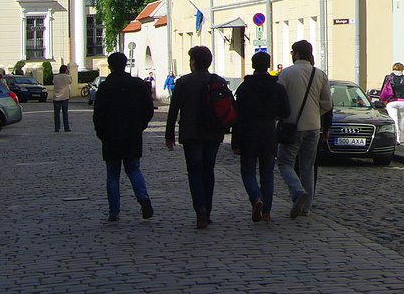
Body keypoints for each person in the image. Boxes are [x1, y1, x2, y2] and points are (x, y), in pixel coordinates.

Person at [164, 45, 228, 229]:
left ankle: (199, 208)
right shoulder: (218, 81)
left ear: (193, 62)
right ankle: (207, 211)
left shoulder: (183, 83)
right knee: (209, 171)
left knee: (194, 172)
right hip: (213, 134)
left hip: (191, 134)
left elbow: (173, 110)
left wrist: (169, 135)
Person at [91, 51, 154, 222]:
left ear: (110, 66)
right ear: (125, 64)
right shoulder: (137, 85)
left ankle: (114, 211)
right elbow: (148, 110)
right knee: (133, 168)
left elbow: (98, 115)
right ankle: (143, 197)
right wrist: (140, 125)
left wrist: (101, 132)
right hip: (132, 134)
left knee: (112, 173)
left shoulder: (105, 87)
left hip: (111, 135)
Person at [276, 40, 332, 219]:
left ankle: (298, 191)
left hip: (292, 126)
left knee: (285, 162)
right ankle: (306, 208)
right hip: (314, 126)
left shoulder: (286, 74)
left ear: (297, 54)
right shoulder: (320, 74)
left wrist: (282, 117)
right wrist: (315, 114)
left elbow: (280, 101)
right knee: (307, 167)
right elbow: (327, 104)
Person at [233, 50, 290, 222]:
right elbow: (286, 112)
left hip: (249, 132)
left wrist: (235, 142)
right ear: (268, 66)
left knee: (248, 170)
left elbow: (238, 116)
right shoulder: (277, 88)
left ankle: (256, 197)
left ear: (253, 66)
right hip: (268, 131)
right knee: (267, 172)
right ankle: (266, 211)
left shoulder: (244, 88)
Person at [378, 62, 404, 140]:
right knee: (400, 120)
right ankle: (399, 137)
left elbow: (383, 90)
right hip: (402, 102)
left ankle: (397, 138)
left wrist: (381, 100)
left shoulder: (388, 77)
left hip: (391, 102)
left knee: (394, 120)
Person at [51, 63, 74, 132]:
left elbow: (53, 82)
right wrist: (69, 73)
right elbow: (70, 82)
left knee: (56, 114)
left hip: (56, 96)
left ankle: (57, 128)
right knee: (65, 113)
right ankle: (66, 127)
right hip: (64, 97)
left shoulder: (55, 77)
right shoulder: (68, 77)